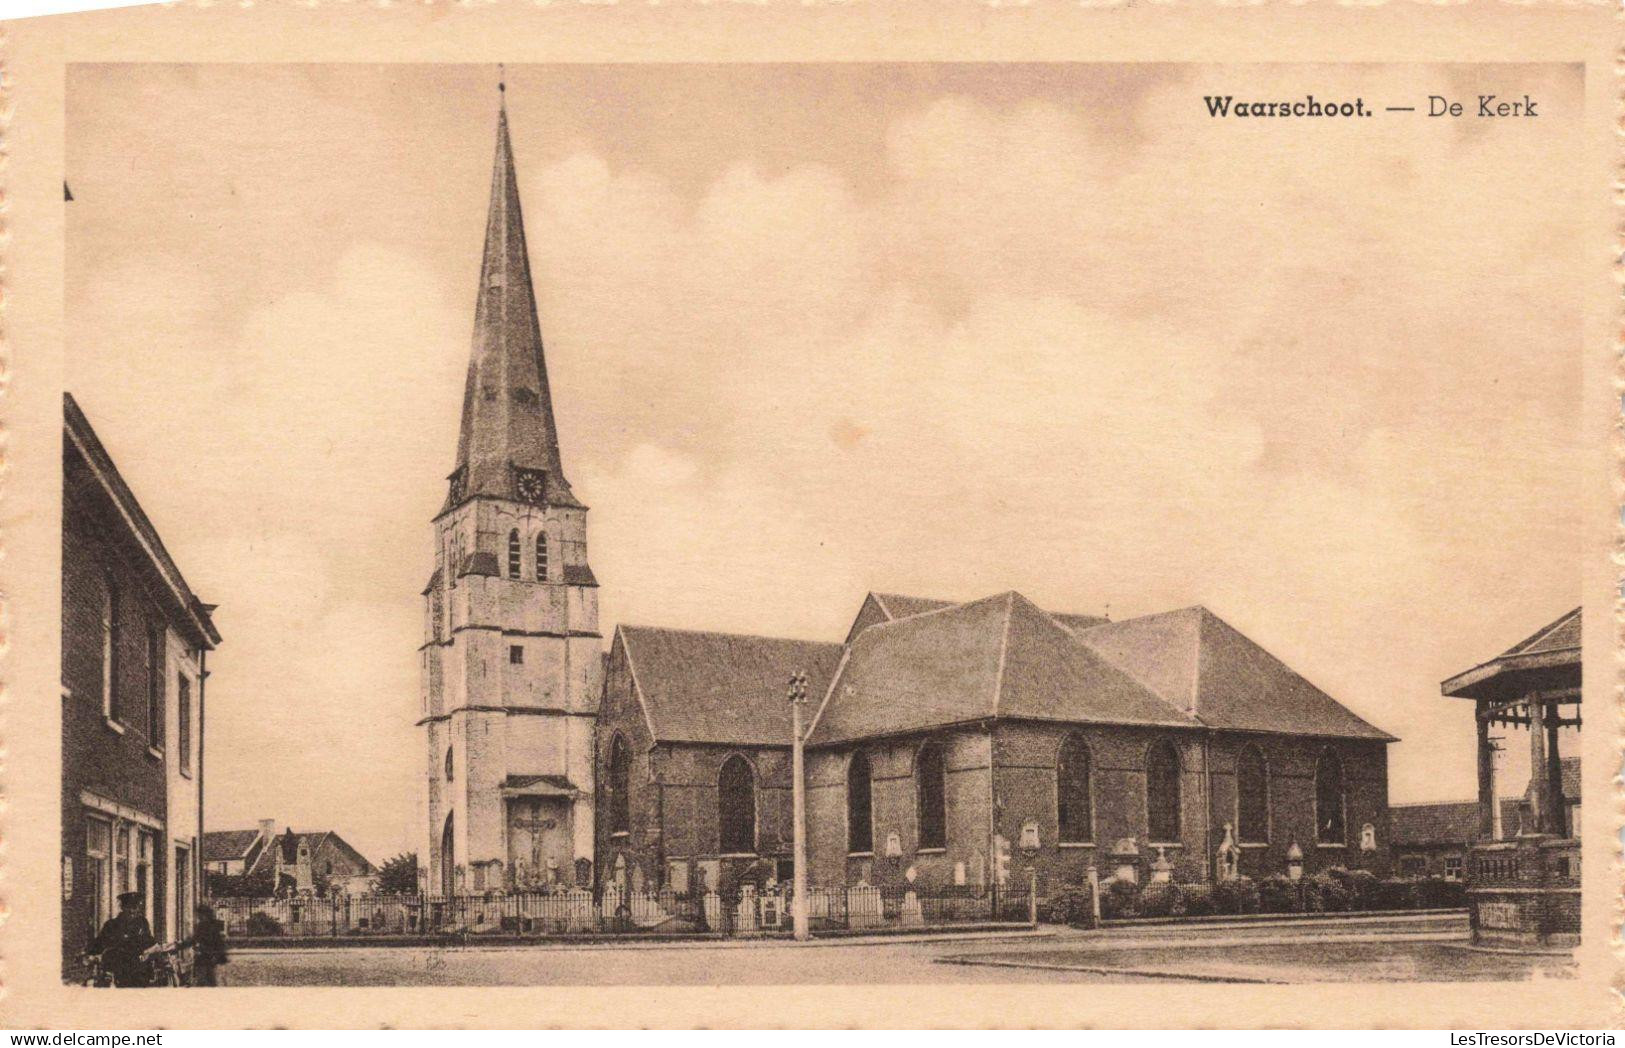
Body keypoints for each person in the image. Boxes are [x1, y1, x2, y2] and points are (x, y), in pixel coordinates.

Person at [91, 891, 156, 987]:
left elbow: (149, 941)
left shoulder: (142, 922)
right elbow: (99, 944)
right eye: (130, 907)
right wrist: (90, 954)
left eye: (136, 907)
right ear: (123, 908)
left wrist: (153, 949)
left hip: (140, 971)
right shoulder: (111, 925)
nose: (133, 911)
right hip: (118, 970)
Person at [183, 904, 228, 987]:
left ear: (203, 914)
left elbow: (194, 940)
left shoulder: (202, 925)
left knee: (203, 980)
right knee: (211, 980)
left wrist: (180, 945)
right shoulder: (214, 924)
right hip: (212, 958)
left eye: (199, 914)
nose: (198, 917)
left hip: (205, 957)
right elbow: (219, 942)